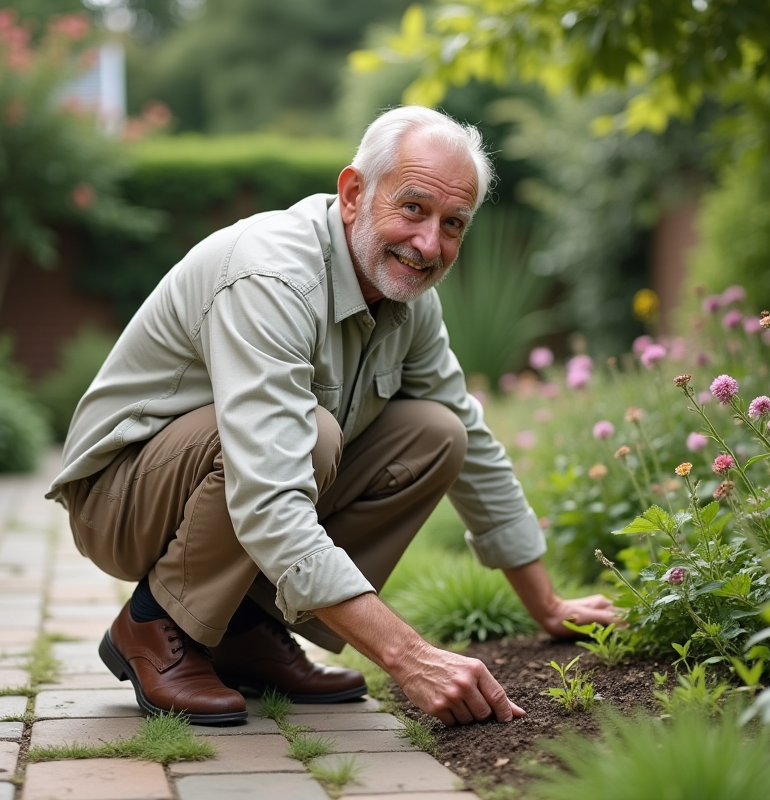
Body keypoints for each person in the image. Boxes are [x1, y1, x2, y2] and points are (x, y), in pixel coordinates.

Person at [47, 105, 616, 727]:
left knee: (436, 435)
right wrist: (410, 657)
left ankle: (242, 625)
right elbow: (269, 495)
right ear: (352, 194)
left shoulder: (407, 295)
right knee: (311, 436)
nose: (430, 244)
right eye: (413, 208)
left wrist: (547, 603)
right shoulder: (271, 277)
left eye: (453, 222)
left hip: (224, 487)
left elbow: (470, 439)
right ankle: (154, 626)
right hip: (120, 502)